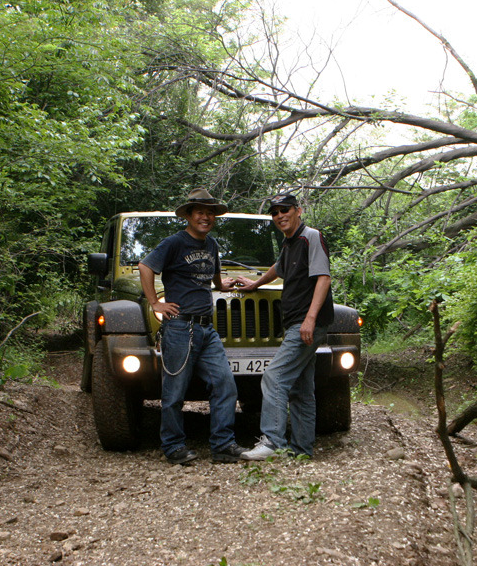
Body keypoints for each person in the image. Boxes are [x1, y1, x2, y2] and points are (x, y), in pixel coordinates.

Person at [138, 189, 248, 465]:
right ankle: (173, 447)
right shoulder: (175, 243)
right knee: (174, 392)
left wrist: (229, 284)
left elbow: (214, 281)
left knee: (225, 385)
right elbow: (145, 267)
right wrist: (155, 303)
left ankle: (223, 445)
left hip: (207, 329)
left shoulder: (211, 245)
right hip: (180, 327)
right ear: (188, 215)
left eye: (210, 212)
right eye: (199, 211)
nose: (206, 217)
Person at [236, 193, 335, 460]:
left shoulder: (310, 237)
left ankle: (273, 443)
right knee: (301, 389)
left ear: (298, 210)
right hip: (296, 322)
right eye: (275, 212)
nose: (280, 215)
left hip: (305, 323)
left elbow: (323, 279)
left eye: (285, 210)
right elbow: (279, 268)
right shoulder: (290, 243)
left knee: (274, 377)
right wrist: (256, 284)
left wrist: (310, 319)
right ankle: (302, 450)